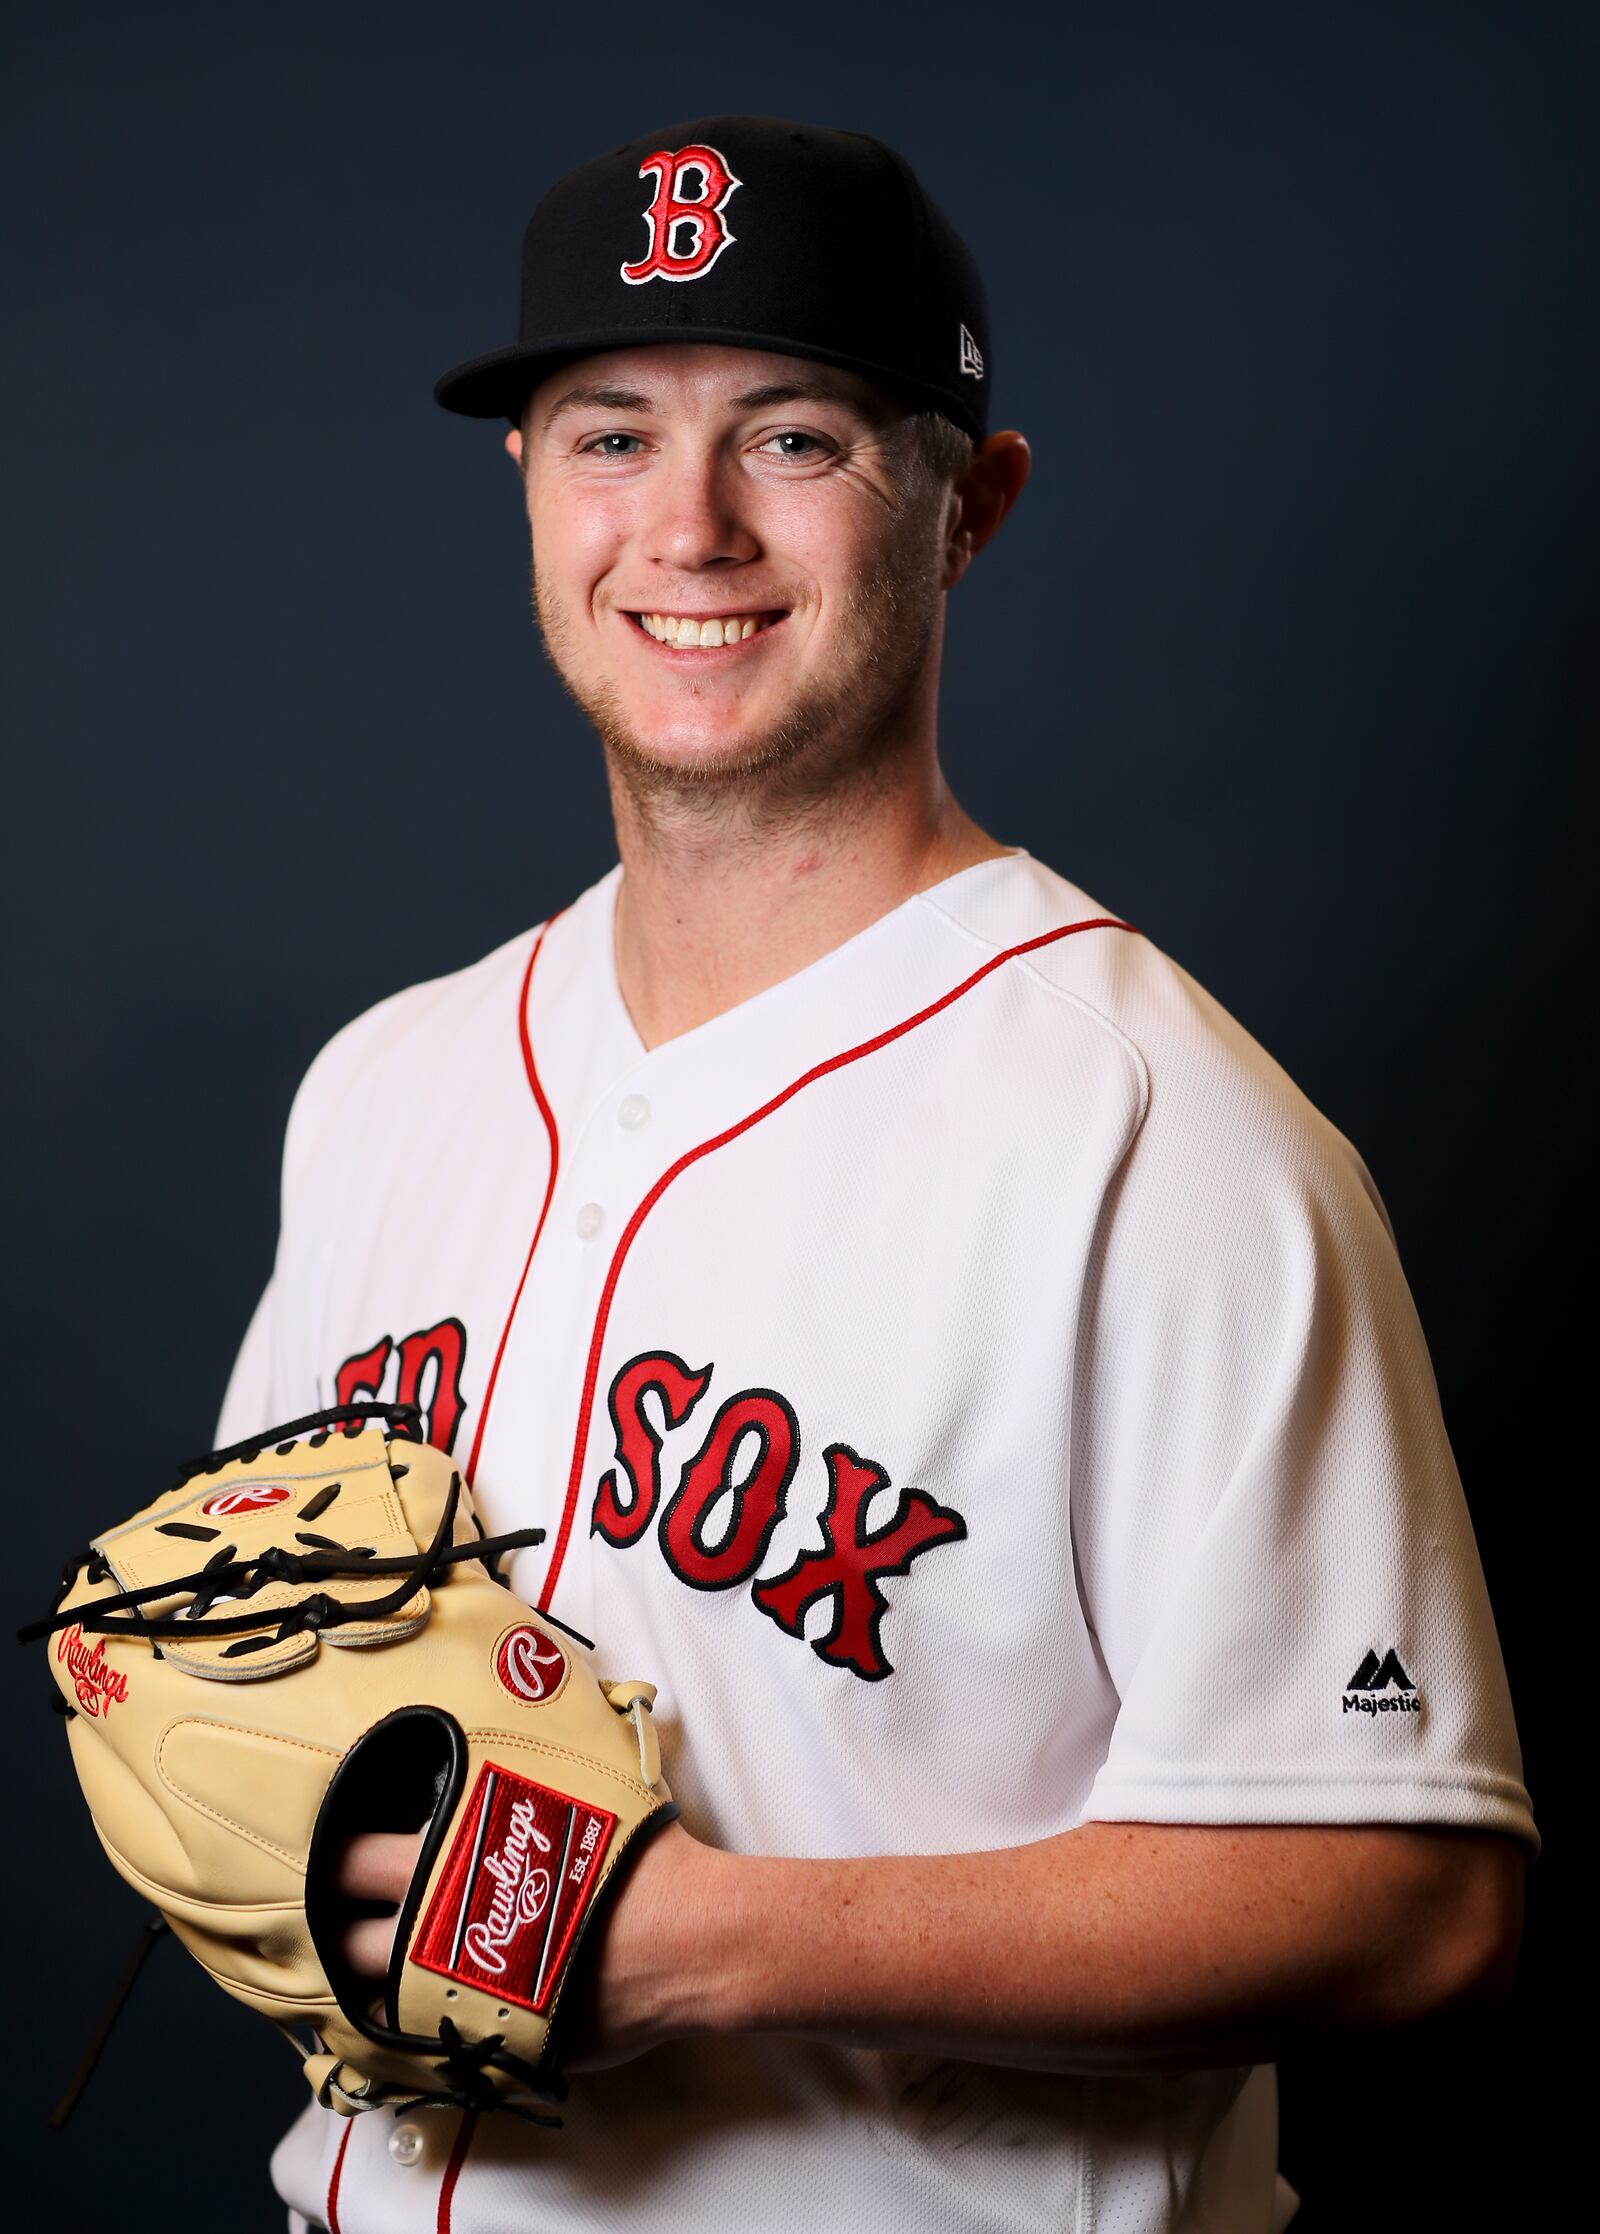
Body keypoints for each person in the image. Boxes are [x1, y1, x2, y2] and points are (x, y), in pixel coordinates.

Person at [216, 116, 1537, 2234]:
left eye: (799, 437)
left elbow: (1404, 1896)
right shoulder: (385, 1083)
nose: (689, 526)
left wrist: (695, 1939)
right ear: (528, 492)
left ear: (966, 506)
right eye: (608, 434)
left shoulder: (1161, 1139)